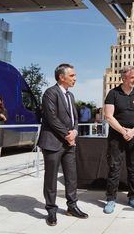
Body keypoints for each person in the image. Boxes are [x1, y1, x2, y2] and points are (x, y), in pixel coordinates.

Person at [38, 64, 88, 226]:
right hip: (53, 142)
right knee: (51, 178)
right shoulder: (50, 93)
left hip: (69, 143)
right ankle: (51, 211)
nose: (75, 78)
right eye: (72, 75)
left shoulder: (70, 95)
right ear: (62, 77)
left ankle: (72, 206)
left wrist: (74, 131)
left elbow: (75, 118)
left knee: (71, 176)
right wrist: (68, 135)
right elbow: (52, 119)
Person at [103, 65, 134, 214]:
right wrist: (123, 131)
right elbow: (108, 115)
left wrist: (133, 131)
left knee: (133, 168)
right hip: (117, 136)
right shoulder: (113, 94)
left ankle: (133, 197)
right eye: (132, 77)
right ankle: (110, 199)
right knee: (114, 167)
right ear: (123, 78)